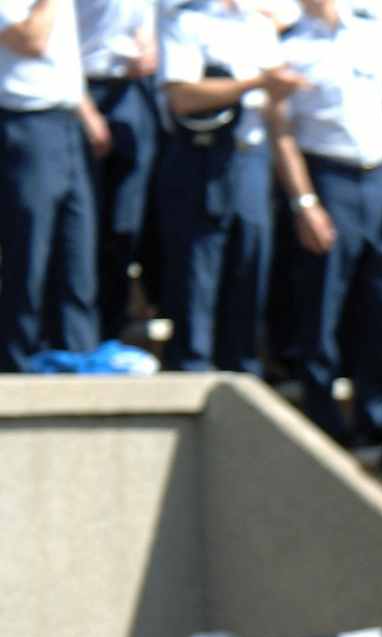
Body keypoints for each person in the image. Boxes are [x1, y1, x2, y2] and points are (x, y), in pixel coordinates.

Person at [269, 0, 382, 448]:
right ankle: (323, 410)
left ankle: (377, 411)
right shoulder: (288, 46)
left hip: (381, 176)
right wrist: (304, 201)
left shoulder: (375, 33)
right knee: (323, 301)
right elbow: (281, 131)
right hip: (327, 177)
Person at [157, 0, 295, 375]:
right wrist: (255, 82)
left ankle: (243, 374)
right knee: (197, 278)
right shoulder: (186, 21)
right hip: (202, 157)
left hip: (251, 156)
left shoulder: (259, 26)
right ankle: (191, 371)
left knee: (249, 271)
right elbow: (182, 97)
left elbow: (273, 110)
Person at [0, 0, 102, 373]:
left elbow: (61, 60)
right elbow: (31, 40)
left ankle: (77, 352)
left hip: (66, 122)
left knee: (77, 249)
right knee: (29, 250)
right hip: (25, 126)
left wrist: (86, 113)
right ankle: (18, 360)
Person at [77, 0, 158, 345]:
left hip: (132, 92)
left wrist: (149, 48)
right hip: (81, 91)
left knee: (125, 224)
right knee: (81, 227)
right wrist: (84, 110)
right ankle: (75, 333)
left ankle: (110, 331)